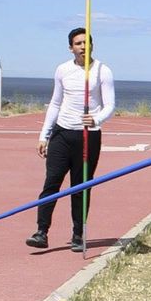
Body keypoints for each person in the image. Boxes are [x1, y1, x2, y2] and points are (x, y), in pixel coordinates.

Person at [26, 27, 116, 252]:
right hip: (62, 134)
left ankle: (78, 234)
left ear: (92, 45)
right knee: (52, 182)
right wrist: (44, 135)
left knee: (81, 187)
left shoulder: (102, 71)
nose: (83, 47)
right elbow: (55, 103)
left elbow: (110, 106)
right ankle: (41, 232)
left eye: (87, 43)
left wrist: (95, 119)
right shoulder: (62, 70)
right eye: (78, 43)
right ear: (71, 48)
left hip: (88, 136)